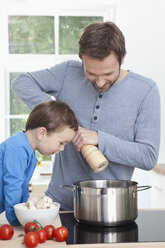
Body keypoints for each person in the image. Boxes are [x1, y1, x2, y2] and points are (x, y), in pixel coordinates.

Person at [12, 21, 160, 210]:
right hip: (58, 205)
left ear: (123, 58)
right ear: (82, 60)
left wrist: (100, 139)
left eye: (108, 73)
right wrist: (58, 117)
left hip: (110, 209)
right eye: (90, 73)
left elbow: (148, 157)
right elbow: (22, 83)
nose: (99, 82)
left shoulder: (146, 91)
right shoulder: (67, 73)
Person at [0, 100, 78, 225]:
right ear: (42, 133)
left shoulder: (26, 149)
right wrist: (16, 221)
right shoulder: (17, 148)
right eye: (61, 143)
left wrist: (26, 215)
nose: (62, 149)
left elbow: (22, 187)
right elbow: (13, 186)